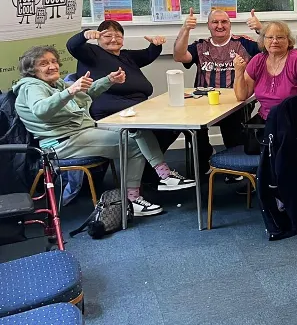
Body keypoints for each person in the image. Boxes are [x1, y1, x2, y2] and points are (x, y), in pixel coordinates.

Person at [12, 46, 196, 217]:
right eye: (44, 64)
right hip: (62, 143)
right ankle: (133, 199)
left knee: (134, 128)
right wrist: (70, 91)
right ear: (31, 69)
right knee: (132, 145)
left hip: (81, 132)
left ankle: (164, 175)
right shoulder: (32, 87)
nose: (52, 66)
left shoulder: (56, 84)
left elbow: (85, 94)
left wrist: (108, 81)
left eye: (53, 61)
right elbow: (41, 110)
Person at [173, 7, 263, 157]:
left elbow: (271, 50)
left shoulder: (244, 43)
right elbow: (179, 56)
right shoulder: (200, 46)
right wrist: (185, 29)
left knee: (232, 126)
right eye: (215, 22)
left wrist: (261, 29)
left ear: (230, 24)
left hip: (236, 102)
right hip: (203, 102)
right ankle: (206, 158)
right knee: (191, 126)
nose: (220, 26)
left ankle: (235, 165)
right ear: (208, 25)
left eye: (224, 22)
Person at [66, 20, 166, 120]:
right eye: (108, 36)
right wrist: (85, 34)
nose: (114, 40)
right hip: (111, 110)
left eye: (118, 36)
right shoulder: (91, 53)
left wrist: (156, 43)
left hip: (137, 106)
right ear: (98, 38)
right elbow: (72, 46)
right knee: (163, 120)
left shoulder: (126, 56)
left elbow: (148, 54)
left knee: (170, 116)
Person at [233, 21, 297, 123]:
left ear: (288, 41)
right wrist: (239, 71)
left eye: (280, 37)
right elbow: (242, 96)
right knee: (241, 135)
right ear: (263, 41)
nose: (275, 41)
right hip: (268, 118)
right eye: (270, 37)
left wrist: (290, 119)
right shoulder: (257, 61)